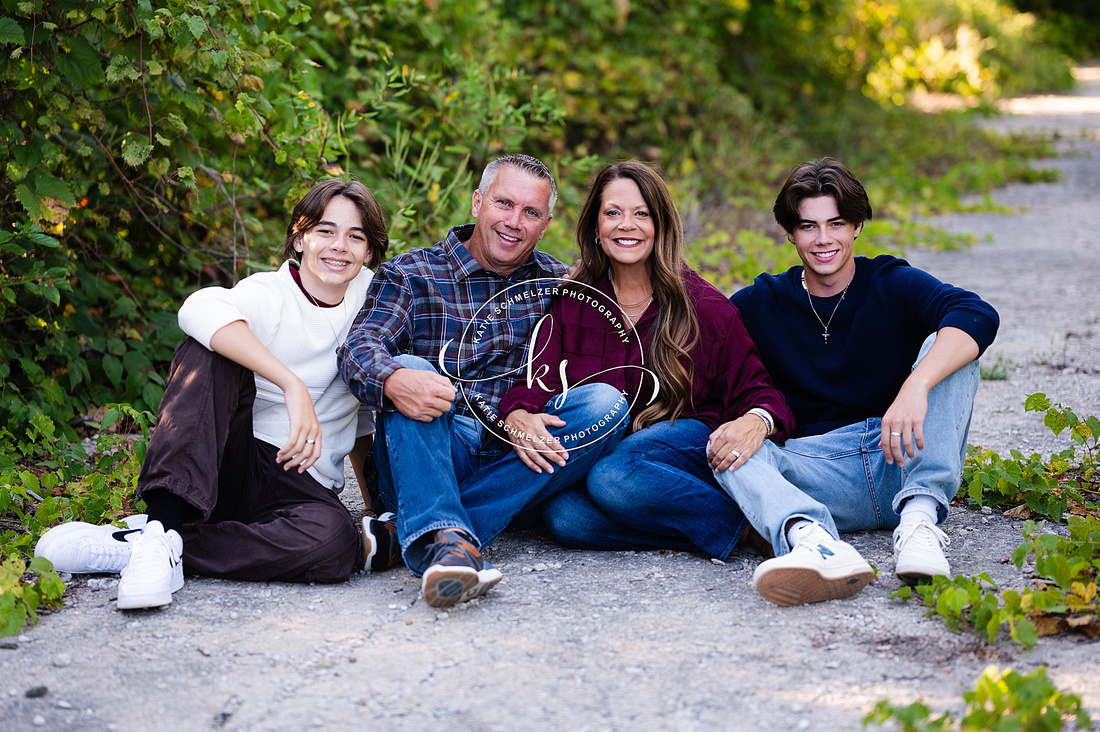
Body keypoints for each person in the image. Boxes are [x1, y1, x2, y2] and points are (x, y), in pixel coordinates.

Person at [35, 180, 397, 610]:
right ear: (300, 238)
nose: (339, 246)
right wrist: (290, 384)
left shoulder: (374, 303)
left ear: (370, 251)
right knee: (208, 349)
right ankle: (163, 526)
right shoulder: (270, 292)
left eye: (355, 236)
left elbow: (360, 419)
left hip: (301, 483)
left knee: (336, 541)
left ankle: (156, 544)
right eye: (325, 231)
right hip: (230, 462)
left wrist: (378, 508)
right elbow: (198, 309)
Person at [337, 154, 629, 609]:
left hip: (521, 455)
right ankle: (447, 537)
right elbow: (360, 347)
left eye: (530, 212)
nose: (514, 222)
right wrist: (393, 379)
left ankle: (419, 531)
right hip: (434, 449)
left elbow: (611, 360)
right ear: (477, 203)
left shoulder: (560, 283)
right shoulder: (413, 273)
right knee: (413, 368)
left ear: (546, 224)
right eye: (503, 203)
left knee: (605, 404)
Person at [716, 157, 999, 606]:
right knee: (727, 448)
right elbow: (706, 359)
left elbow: (978, 314)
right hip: (819, 471)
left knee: (953, 352)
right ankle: (813, 541)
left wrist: (915, 386)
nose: (824, 239)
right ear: (790, 233)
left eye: (837, 223)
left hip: (902, 454)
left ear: (857, 227)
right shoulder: (760, 303)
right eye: (808, 226)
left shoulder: (891, 282)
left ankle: (921, 522)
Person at [498, 160, 794, 559]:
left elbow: (763, 395)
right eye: (613, 213)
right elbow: (538, 383)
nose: (626, 225)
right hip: (611, 455)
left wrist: (755, 422)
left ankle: (752, 524)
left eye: (641, 214)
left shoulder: (705, 307)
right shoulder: (575, 300)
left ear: (661, 226)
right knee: (565, 517)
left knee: (613, 475)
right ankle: (729, 529)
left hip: (682, 447)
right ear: (596, 226)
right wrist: (517, 412)